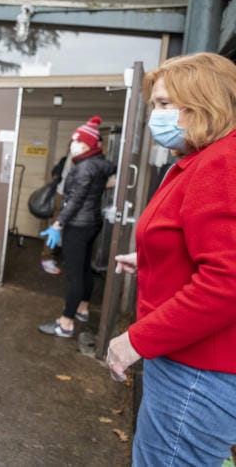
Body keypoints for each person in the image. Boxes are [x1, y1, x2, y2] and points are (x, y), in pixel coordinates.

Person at [106, 52, 236, 466]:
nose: (155, 117)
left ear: (203, 104)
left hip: (197, 371)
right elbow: (197, 245)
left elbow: (226, 282)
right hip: (189, 362)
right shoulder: (199, 161)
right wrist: (148, 257)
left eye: (164, 105)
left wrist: (136, 340)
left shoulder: (221, 164)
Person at [38, 116, 115, 338]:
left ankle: (65, 323)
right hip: (93, 223)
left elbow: (76, 200)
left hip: (78, 225)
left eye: (76, 141)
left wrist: (58, 223)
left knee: (74, 275)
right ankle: (82, 308)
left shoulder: (83, 167)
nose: (72, 145)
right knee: (84, 269)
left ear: (86, 144)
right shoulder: (100, 164)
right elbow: (109, 179)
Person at [39, 153, 71, 275]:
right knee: (55, 227)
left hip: (63, 195)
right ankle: (47, 258)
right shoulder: (74, 156)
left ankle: (49, 256)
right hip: (63, 196)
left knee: (57, 227)